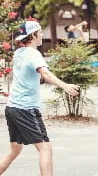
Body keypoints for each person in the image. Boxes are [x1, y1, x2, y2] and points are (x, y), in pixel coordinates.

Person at [0, 20, 80, 176]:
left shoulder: (19, 52)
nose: (42, 34)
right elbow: (44, 73)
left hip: (12, 108)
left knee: (15, 150)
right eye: (40, 31)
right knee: (45, 148)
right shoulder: (33, 54)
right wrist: (65, 86)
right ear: (33, 35)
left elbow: (21, 76)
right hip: (25, 109)